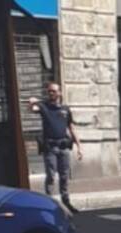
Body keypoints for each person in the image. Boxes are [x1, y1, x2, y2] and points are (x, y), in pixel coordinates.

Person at [29, 82, 82, 213]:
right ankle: (49, 203)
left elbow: (71, 128)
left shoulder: (65, 109)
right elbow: (33, 109)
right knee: (51, 176)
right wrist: (31, 103)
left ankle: (66, 201)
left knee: (64, 176)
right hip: (50, 147)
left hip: (63, 146)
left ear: (59, 93)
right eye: (49, 91)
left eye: (53, 91)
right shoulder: (44, 106)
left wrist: (79, 146)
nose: (51, 93)